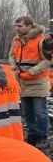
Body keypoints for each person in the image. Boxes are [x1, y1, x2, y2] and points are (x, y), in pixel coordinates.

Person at [8, 16, 50, 147]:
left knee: (40, 112)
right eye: (16, 26)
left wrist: (32, 72)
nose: (17, 29)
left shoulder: (41, 41)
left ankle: (43, 137)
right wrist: (13, 67)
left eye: (20, 26)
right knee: (27, 112)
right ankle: (32, 135)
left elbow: (48, 61)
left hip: (38, 82)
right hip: (23, 82)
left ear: (29, 26)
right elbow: (11, 55)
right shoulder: (16, 39)